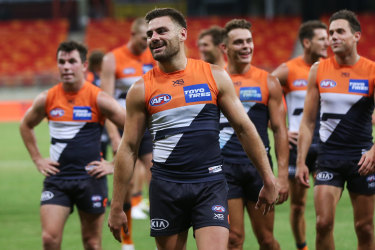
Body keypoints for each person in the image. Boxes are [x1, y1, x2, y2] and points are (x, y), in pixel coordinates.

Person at [108, 8, 279, 250]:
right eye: (149, 33)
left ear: (182, 34)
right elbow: (128, 148)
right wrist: (117, 207)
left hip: (209, 184)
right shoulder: (140, 89)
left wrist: (269, 178)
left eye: (161, 31)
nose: (153, 37)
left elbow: (244, 128)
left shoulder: (214, 76)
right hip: (165, 186)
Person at [19, 41, 125, 250]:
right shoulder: (47, 98)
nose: (66, 67)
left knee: (92, 243)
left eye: (72, 61)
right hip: (57, 180)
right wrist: (37, 158)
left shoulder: (98, 98)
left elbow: (133, 127)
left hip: (91, 180)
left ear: (84, 65)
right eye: (62, 62)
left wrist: (113, 163)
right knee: (49, 239)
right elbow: (26, 125)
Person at [296, 9, 375, 250]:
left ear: (357, 36)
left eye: (340, 31)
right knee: (322, 223)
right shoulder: (318, 70)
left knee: (364, 227)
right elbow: (308, 121)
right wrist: (301, 161)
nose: (333, 37)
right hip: (329, 157)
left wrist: (374, 152)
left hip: (363, 158)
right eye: (331, 33)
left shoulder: (372, 71)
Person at [220, 19, 289, 250]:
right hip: (224, 169)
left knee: (267, 240)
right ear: (225, 48)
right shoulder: (215, 81)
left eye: (249, 41)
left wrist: (282, 176)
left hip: (259, 168)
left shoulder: (269, 82)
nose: (246, 46)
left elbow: (280, 131)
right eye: (238, 42)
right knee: (233, 238)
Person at [271, 20, 329, 250]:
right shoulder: (288, 69)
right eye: (322, 39)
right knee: (297, 206)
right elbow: (263, 98)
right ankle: (302, 247)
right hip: (298, 146)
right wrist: (281, 129)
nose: (328, 42)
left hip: (326, 144)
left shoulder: (330, 69)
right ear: (307, 42)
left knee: (325, 210)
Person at [100, 17, 154, 249]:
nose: (148, 42)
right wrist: (113, 134)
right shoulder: (112, 59)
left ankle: (162, 230)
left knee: (158, 175)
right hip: (123, 128)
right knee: (126, 181)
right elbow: (105, 100)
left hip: (149, 126)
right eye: (144, 38)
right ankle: (127, 241)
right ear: (132, 34)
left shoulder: (153, 56)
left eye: (150, 38)